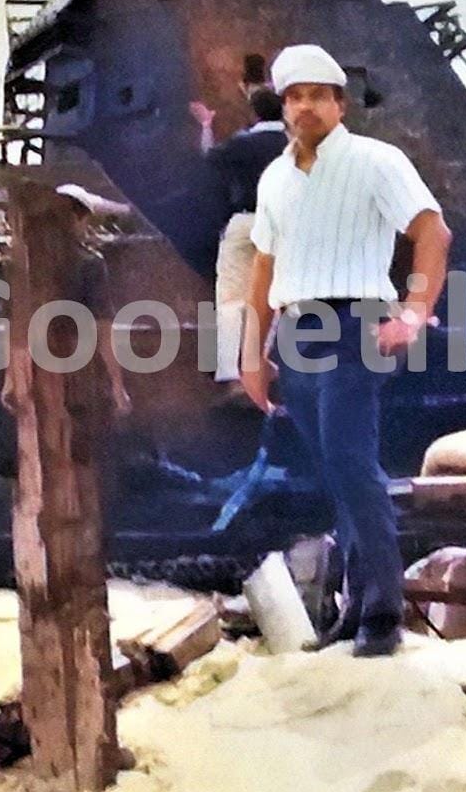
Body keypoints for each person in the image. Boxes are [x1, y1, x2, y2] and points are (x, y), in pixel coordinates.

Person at [241, 44, 452, 656]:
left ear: (338, 104)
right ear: (282, 105)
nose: (305, 106)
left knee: (352, 462)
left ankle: (384, 615)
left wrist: (413, 313)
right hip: (298, 329)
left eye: (317, 95)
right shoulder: (275, 176)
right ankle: (355, 606)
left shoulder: (375, 161)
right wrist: (252, 354)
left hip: (357, 324)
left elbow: (431, 231)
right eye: (294, 96)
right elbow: (263, 265)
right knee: (334, 472)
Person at [190, 86, 288, 383]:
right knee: (273, 297)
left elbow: (207, 158)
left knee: (232, 297)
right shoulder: (295, 142)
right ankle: (260, 363)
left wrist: (207, 125)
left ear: (255, 112)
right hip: (282, 226)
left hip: (244, 220)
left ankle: (232, 373)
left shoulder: (243, 142)